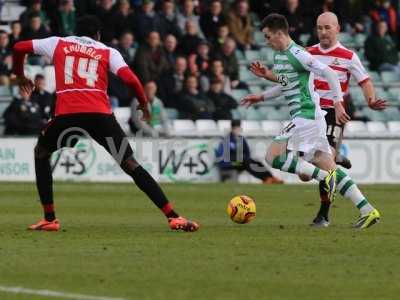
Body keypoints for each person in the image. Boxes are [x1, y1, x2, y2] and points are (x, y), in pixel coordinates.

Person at [12, 15, 199, 232]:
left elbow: (18, 47)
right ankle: (173, 216)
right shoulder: (107, 51)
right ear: (98, 35)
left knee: (41, 152)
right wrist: (144, 104)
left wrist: (19, 75)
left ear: (75, 31)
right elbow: (131, 80)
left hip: (68, 117)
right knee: (130, 164)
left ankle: (50, 218)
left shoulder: (58, 43)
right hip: (100, 117)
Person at [241, 13, 380, 229]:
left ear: (279, 34)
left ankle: (324, 178)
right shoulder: (280, 55)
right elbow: (285, 84)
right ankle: (368, 210)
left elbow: (331, 74)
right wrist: (261, 96)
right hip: (310, 118)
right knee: (327, 164)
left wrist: (338, 103)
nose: (266, 41)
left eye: (268, 37)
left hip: (306, 116)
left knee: (273, 157)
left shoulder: (299, 54)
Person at [215, 120, 283, 183]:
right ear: (232, 128)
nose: (238, 130)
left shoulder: (241, 139)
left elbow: (247, 152)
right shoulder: (226, 140)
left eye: (239, 128)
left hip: (240, 162)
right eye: (236, 128)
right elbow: (223, 156)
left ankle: (271, 177)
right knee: (247, 162)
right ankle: (266, 179)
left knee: (256, 162)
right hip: (229, 163)